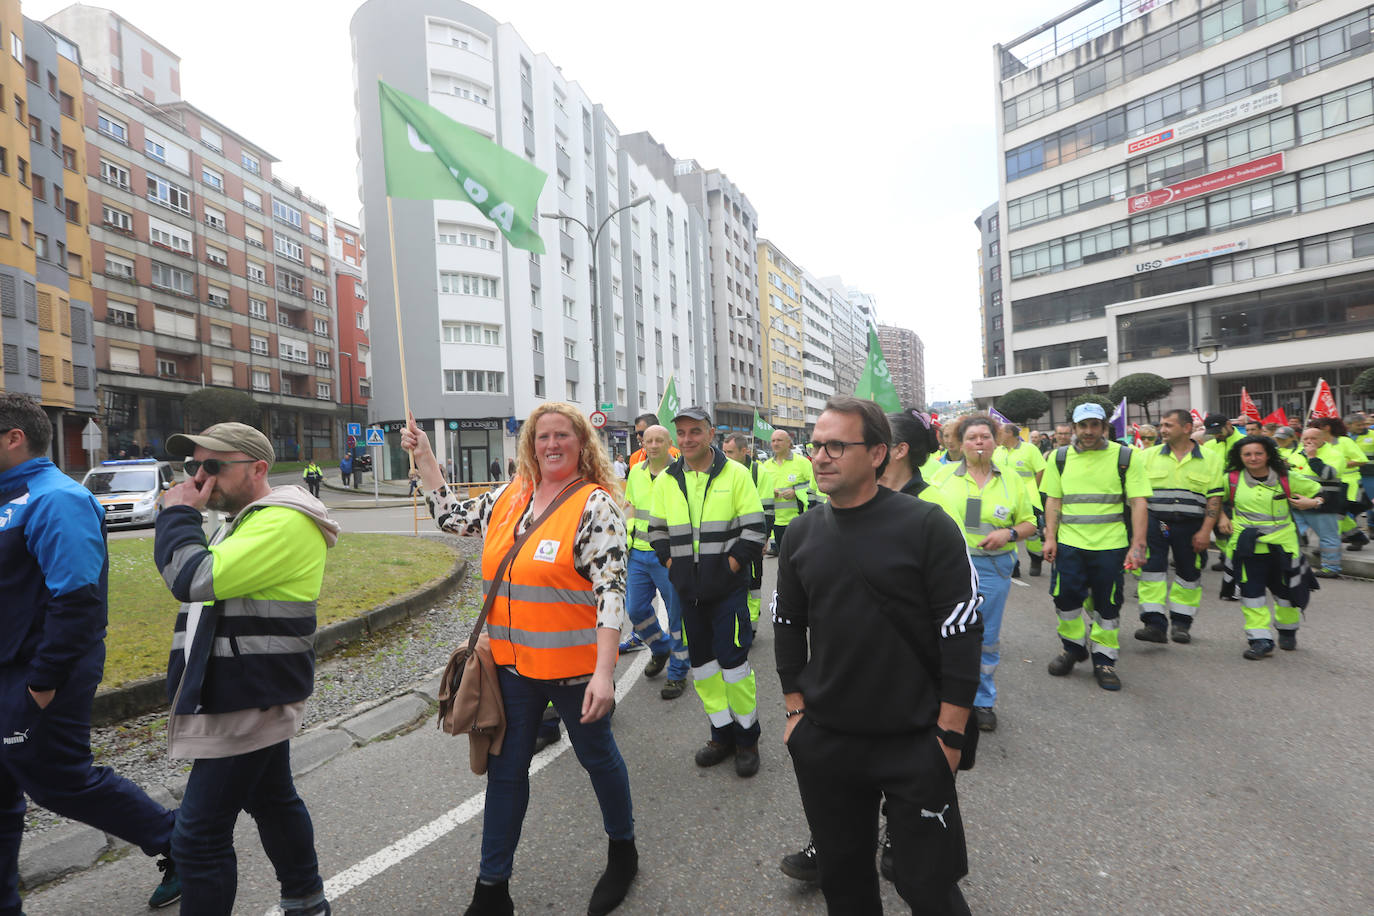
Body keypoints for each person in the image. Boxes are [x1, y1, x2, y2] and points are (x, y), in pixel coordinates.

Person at [404, 403, 637, 916]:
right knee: (505, 772)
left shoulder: (595, 505)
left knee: (597, 758)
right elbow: (450, 517)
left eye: (562, 436)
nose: (551, 445)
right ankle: (492, 889)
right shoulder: (509, 496)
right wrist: (425, 457)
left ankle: (623, 850)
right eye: (542, 437)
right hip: (511, 668)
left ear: (582, 444)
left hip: (575, 673)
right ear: (529, 445)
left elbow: (611, 593)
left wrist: (604, 672)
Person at [776, 396, 983, 914]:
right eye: (816, 445)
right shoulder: (801, 532)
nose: (820, 456)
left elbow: (962, 632)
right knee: (844, 884)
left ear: (877, 454)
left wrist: (950, 736)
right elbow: (786, 625)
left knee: (927, 885)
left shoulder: (928, 525)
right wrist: (796, 710)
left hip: (915, 741)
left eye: (836, 446)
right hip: (828, 742)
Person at [0, 394, 181, 913]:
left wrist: (43, 680)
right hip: (8, 668)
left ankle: (181, 842)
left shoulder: (54, 498)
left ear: (15, 438)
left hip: (42, 670)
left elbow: (77, 599)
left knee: (59, 779)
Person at [156, 421, 339, 916]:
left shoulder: (282, 521)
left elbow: (192, 578)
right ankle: (307, 902)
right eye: (193, 466)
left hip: (247, 698)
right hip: (246, 689)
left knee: (196, 838)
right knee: (272, 798)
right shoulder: (247, 519)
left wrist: (177, 516)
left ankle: (307, 900)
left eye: (213, 466)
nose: (199, 478)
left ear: (259, 468)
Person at [647, 407, 767, 777]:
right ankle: (721, 734)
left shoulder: (737, 474)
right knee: (703, 669)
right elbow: (657, 532)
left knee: (734, 666)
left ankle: (747, 739)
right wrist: (674, 568)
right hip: (688, 594)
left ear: (710, 433)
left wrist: (727, 569)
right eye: (681, 433)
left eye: (694, 432)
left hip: (727, 592)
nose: (687, 440)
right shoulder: (667, 479)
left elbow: (754, 530)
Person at [924, 415, 1034, 733]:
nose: (979, 443)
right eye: (972, 438)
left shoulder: (1012, 479)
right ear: (960, 443)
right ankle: (943, 697)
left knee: (984, 637)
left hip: (993, 567)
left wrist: (1009, 534)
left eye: (985, 436)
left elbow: (1030, 522)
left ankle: (983, 701)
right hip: (949, 565)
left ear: (995, 441)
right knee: (944, 631)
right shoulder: (942, 477)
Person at [1041, 403, 1151, 691]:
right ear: (1074, 428)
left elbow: (1139, 502)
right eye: (1083, 426)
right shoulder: (1059, 458)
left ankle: (1104, 659)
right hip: (1069, 545)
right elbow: (1053, 500)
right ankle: (1073, 649)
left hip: (1111, 545)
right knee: (1065, 599)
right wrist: (1050, 537)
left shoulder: (1127, 457)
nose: (1088, 432)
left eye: (1094, 425)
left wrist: (1138, 544)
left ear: (1104, 427)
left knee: (1108, 603)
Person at [1216, 435, 1321, 659]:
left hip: (1283, 547)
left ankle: (1288, 630)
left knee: (1286, 594)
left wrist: (1312, 502)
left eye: (1258, 453)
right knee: (1251, 594)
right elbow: (1213, 500)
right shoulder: (1231, 479)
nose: (1253, 458)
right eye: (1247, 454)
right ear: (1240, 457)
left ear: (1268, 455)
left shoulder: (1286, 478)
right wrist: (1221, 517)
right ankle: (1260, 640)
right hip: (1247, 547)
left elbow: (1321, 492)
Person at [1133, 410, 1223, 646]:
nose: (1162, 429)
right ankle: (1154, 624)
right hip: (1157, 523)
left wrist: (1206, 531)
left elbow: (1214, 498)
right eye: (1161, 425)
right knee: (1152, 570)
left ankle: (1182, 624)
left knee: (1188, 573)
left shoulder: (1211, 458)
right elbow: (1138, 497)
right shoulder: (1147, 456)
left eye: (1168, 425)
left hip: (1192, 525)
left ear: (1186, 428)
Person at [621, 426, 689, 697]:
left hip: (669, 555)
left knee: (676, 616)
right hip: (638, 553)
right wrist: (625, 542)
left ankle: (678, 672)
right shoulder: (636, 472)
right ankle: (661, 649)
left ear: (669, 443)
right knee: (635, 610)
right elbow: (630, 507)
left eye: (658, 440)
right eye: (647, 440)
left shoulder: (681, 473)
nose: (652, 445)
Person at [722, 433, 766, 631]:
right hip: (728, 541)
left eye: (730, 452)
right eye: (724, 452)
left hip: (752, 539)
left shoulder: (758, 472)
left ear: (744, 451)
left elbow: (767, 509)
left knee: (753, 585)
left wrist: (764, 538)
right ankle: (736, 627)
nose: (726, 456)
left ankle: (752, 627)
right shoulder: (720, 471)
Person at [1307, 417, 1369, 551]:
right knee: (1338, 514)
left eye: (1315, 428)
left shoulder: (1344, 441)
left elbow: (1361, 460)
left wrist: (1338, 464)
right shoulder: (1318, 445)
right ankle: (1358, 537)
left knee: (1335, 515)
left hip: (1347, 484)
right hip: (1327, 485)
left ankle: (1327, 545)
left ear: (1326, 428)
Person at [1291, 427, 1346, 578]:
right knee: (1292, 533)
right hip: (1297, 502)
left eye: (1313, 438)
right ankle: (1292, 564)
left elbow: (1328, 475)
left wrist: (1313, 458)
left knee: (1327, 536)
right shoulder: (1296, 453)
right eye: (1305, 438)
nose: (1308, 441)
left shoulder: (1335, 454)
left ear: (1323, 439)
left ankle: (1331, 568)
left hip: (1323, 502)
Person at [995, 423, 1047, 577]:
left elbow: (1041, 469)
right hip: (1003, 498)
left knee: (1032, 533)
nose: (998, 436)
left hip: (1028, 498)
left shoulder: (1030, 449)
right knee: (1007, 531)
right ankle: (1014, 565)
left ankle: (1036, 558)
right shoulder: (997, 452)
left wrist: (1033, 487)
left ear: (1010, 433)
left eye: (1000, 433)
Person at [757, 430, 815, 557]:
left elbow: (814, 485)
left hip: (797, 521)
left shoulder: (802, 463)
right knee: (784, 564)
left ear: (789, 443)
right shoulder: (765, 466)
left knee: (800, 560)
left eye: (779, 440)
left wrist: (796, 492)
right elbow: (759, 491)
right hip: (775, 524)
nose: (775, 443)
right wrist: (770, 492)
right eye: (773, 441)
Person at [1202, 414, 1245, 587]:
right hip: (1215, 493)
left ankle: (1237, 563)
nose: (1216, 435)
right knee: (1219, 532)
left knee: (1234, 532)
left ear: (1229, 424)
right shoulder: (1209, 445)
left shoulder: (1244, 442)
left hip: (1238, 495)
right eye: (1213, 432)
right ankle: (1227, 557)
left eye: (1219, 431)